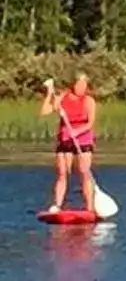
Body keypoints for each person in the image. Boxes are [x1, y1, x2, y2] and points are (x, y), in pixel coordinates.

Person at [40, 74, 99, 216]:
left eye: (84, 85)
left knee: (84, 172)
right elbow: (45, 111)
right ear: (74, 84)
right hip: (65, 139)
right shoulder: (62, 97)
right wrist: (50, 93)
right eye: (80, 84)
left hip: (83, 139)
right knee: (62, 172)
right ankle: (57, 205)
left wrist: (77, 131)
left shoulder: (88, 101)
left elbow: (90, 123)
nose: (82, 88)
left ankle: (90, 208)